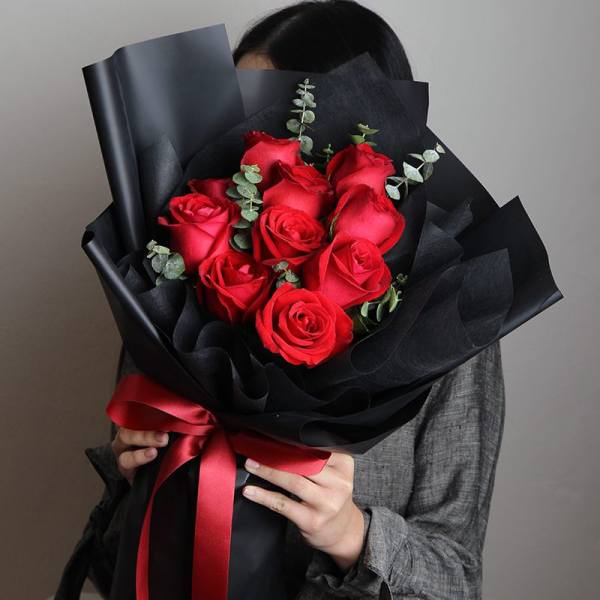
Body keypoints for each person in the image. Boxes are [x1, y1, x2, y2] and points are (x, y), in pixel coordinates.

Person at [83, 2, 506, 599]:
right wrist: (134, 483)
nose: (254, 139)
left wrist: (353, 534)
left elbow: (458, 579)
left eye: (277, 112)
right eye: (238, 111)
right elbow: (110, 567)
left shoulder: (449, 318)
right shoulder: (170, 284)